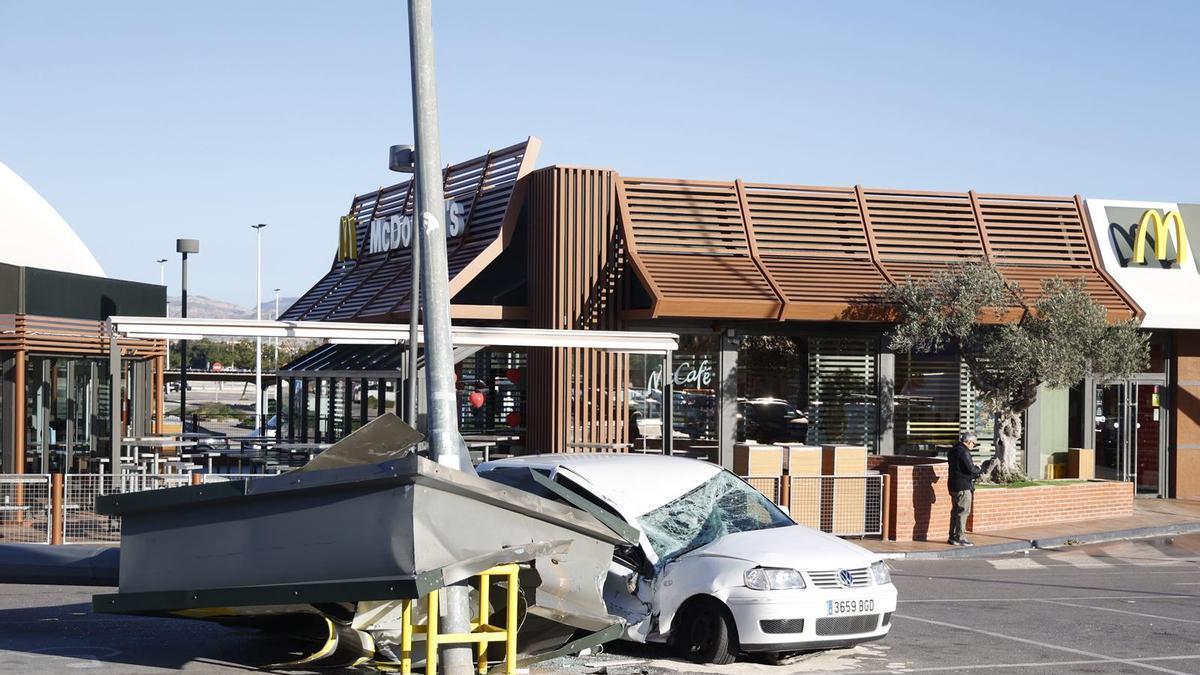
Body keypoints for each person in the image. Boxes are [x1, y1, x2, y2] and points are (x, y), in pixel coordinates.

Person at [948, 432, 983, 546]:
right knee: (963, 511)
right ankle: (960, 537)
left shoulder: (954, 449)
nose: (974, 446)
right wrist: (980, 469)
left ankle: (952, 536)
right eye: (974, 444)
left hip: (953, 485)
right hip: (963, 486)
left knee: (955, 512)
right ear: (969, 442)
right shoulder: (964, 452)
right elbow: (971, 469)